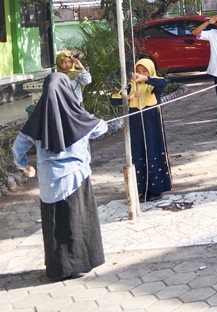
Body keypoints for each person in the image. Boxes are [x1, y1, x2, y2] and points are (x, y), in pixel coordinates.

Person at [12, 73, 108, 280]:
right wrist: (86, 119)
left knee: (55, 224)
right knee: (78, 220)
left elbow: (17, 148)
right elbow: (102, 128)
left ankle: (59, 269)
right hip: (76, 177)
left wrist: (24, 165)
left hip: (49, 182)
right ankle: (80, 264)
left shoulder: (36, 120)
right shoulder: (77, 115)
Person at [128, 58, 172, 202]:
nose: (140, 74)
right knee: (138, 152)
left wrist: (146, 79)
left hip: (152, 122)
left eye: (144, 71)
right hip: (135, 123)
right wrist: (128, 97)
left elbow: (163, 84)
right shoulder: (131, 85)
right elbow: (114, 99)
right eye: (138, 71)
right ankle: (142, 189)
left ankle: (157, 188)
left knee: (153, 150)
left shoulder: (154, 83)